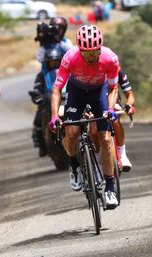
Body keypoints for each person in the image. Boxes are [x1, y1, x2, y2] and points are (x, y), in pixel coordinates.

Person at [49, 24, 120, 209]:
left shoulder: (110, 58)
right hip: (76, 92)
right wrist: (55, 115)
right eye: (87, 53)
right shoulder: (70, 58)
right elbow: (57, 89)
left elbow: (113, 88)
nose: (92, 56)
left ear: (100, 47)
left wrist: (111, 108)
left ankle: (110, 188)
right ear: (80, 50)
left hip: (99, 92)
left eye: (95, 51)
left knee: (105, 139)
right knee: (71, 133)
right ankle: (74, 165)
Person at [29, 48, 63, 157]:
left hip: (65, 100)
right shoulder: (41, 75)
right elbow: (37, 88)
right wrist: (38, 95)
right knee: (38, 121)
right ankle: (42, 146)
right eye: (51, 61)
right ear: (47, 62)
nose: (54, 63)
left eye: (56, 61)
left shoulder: (66, 70)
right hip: (47, 103)